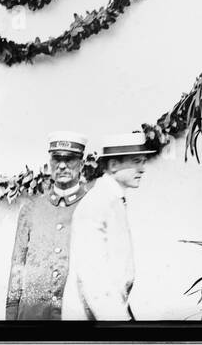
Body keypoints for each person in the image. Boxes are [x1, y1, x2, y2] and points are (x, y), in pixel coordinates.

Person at [62, 130, 157, 322]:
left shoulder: (113, 199)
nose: (142, 169)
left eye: (143, 161)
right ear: (113, 165)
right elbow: (94, 280)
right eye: (136, 161)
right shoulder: (97, 203)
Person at [5, 131, 92, 322]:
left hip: (75, 316)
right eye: (56, 159)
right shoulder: (31, 209)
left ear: (82, 164)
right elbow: (17, 267)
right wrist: (11, 319)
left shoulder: (92, 207)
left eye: (69, 159)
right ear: (49, 162)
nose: (62, 165)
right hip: (32, 315)